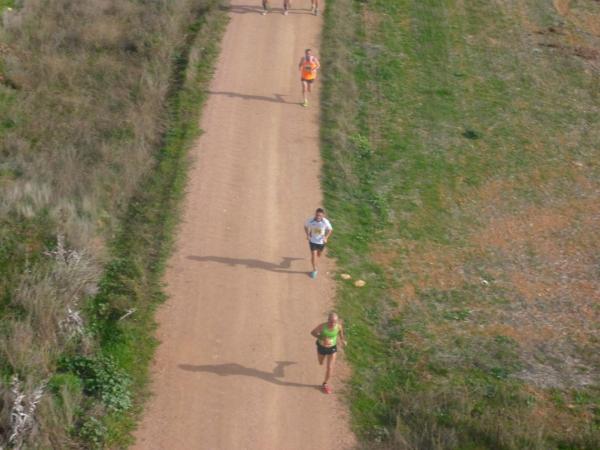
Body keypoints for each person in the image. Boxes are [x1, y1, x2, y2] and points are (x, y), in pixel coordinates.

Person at [310, 312, 347, 394]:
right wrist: (323, 338)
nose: (332, 323)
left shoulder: (338, 327)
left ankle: (325, 384)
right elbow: (312, 332)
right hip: (321, 347)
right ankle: (321, 358)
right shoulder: (322, 326)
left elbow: (341, 334)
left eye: (334, 321)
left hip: (332, 348)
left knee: (330, 367)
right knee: (320, 362)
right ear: (327, 320)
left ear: (337, 321)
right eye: (330, 321)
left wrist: (343, 340)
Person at [304, 207, 332, 278]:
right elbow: (305, 226)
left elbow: (330, 230)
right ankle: (314, 270)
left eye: (320, 215)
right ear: (315, 214)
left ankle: (317, 258)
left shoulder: (325, 222)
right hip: (313, 241)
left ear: (323, 216)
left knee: (319, 254)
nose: (318, 217)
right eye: (317, 215)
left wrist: (326, 237)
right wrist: (307, 235)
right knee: (313, 255)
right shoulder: (310, 220)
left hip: (321, 242)